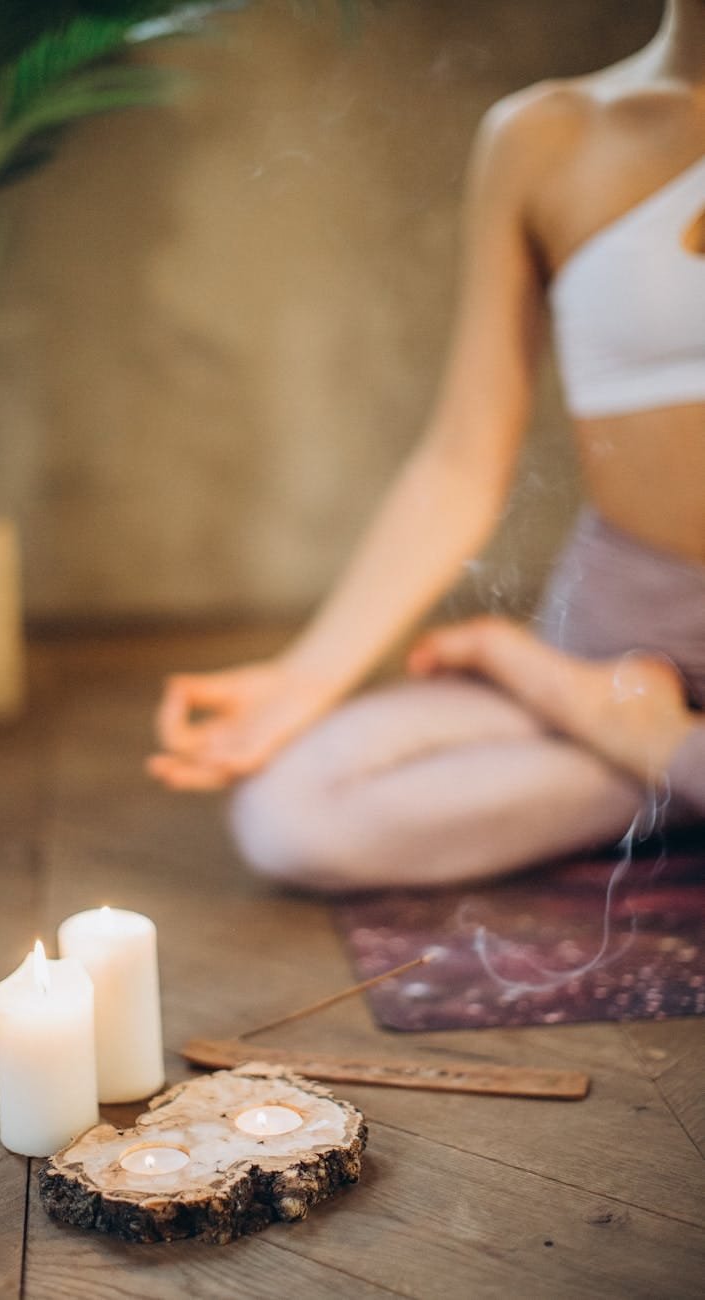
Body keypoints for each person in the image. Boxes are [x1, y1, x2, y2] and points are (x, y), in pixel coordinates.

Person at [148, 0, 705, 891]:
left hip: (601, 697)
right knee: (294, 813)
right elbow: (460, 457)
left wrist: (653, 736)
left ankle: (656, 750)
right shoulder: (544, 137)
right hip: (610, 642)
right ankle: (656, 758)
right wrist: (305, 676)